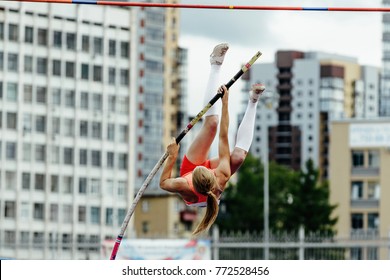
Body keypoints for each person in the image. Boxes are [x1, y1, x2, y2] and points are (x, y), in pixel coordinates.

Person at [160, 43, 265, 235]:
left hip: (192, 175)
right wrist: (225, 103)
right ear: (212, 173)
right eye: (206, 168)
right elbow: (224, 137)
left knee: (211, 124)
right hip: (206, 182)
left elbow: (164, 181)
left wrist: (172, 155)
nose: (204, 163)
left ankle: (215, 63)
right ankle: (253, 101)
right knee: (239, 156)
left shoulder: (184, 181)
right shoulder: (221, 175)